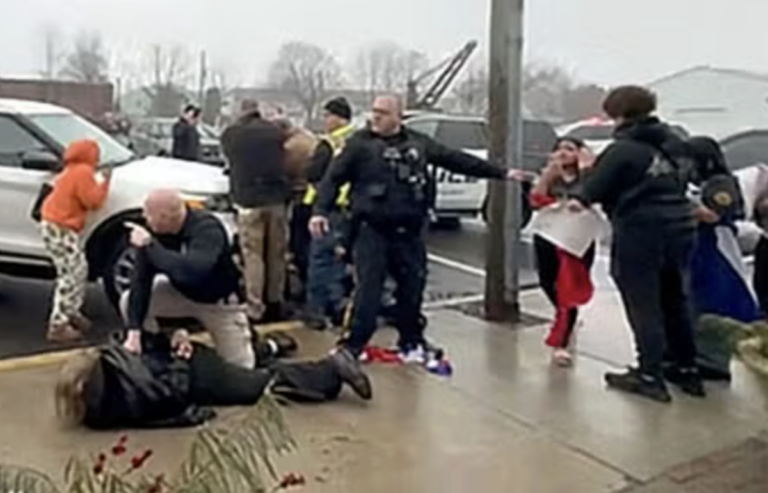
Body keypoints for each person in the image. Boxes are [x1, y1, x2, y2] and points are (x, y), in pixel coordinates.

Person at [309, 94, 518, 372]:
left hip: (409, 232)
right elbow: (332, 179)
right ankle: (352, 345)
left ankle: (411, 340)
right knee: (368, 292)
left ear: (398, 116)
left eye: (383, 112)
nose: (376, 117)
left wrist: (501, 173)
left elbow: (454, 159)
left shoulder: (417, 143)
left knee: (412, 290)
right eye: (374, 112)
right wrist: (320, 211)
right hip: (373, 231)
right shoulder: (360, 145)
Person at [568, 85, 703, 403]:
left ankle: (649, 374)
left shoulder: (623, 150)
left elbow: (589, 192)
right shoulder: (676, 146)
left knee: (644, 304)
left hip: (641, 232)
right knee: (675, 299)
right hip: (681, 228)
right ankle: (686, 369)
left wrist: (586, 171)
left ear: (619, 114)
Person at [55, 329, 372, 430]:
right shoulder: (110, 359)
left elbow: (172, 397)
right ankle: (273, 347)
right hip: (190, 364)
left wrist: (180, 359)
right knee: (249, 375)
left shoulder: (116, 405)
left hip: (196, 373)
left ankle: (331, 368)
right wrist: (176, 348)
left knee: (261, 384)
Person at [120, 189, 256, 369]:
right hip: (181, 294)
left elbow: (191, 271)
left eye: (149, 215)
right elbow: (140, 281)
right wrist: (134, 332)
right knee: (128, 300)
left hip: (218, 302)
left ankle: (262, 347)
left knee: (241, 368)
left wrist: (151, 246)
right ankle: (162, 348)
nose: (145, 219)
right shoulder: (153, 235)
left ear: (165, 217)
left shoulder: (207, 229)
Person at [685, 136, 761, 381]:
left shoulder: (721, 183)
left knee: (719, 299)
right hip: (695, 247)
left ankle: (715, 361)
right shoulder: (693, 182)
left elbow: (716, 215)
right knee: (695, 300)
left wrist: (683, 206)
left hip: (715, 246)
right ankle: (699, 354)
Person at [519, 137, 597, 366]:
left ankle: (562, 341)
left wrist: (585, 170)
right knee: (547, 281)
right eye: (559, 148)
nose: (563, 153)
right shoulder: (551, 176)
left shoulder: (589, 177)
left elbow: (594, 196)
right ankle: (565, 317)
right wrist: (548, 174)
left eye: (570, 149)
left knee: (568, 288)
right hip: (548, 235)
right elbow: (536, 200)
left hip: (576, 239)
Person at [221, 100, 292, 323]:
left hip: (248, 200)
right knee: (276, 254)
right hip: (276, 200)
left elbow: (230, 160)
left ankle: (255, 306)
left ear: (240, 113)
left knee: (253, 256)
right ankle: (275, 301)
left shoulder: (231, 134)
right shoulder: (274, 132)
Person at [41, 139, 112, 342]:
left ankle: (71, 311)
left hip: (54, 225)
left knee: (77, 269)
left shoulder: (70, 170)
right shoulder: (83, 172)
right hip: (62, 227)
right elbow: (93, 201)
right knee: (71, 274)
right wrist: (105, 181)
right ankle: (59, 324)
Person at [303, 97, 357, 330]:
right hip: (350, 209)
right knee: (338, 259)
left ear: (339, 117)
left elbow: (313, 173)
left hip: (328, 210)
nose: (325, 120)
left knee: (320, 260)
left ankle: (316, 310)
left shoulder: (329, 144)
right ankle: (337, 307)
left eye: (327, 115)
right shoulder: (359, 139)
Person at [273, 117, 318, 301]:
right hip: (314, 195)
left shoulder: (291, 148)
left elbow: (285, 173)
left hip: (300, 196)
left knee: (299, 244)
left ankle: (306, 287)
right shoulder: (308, 137)